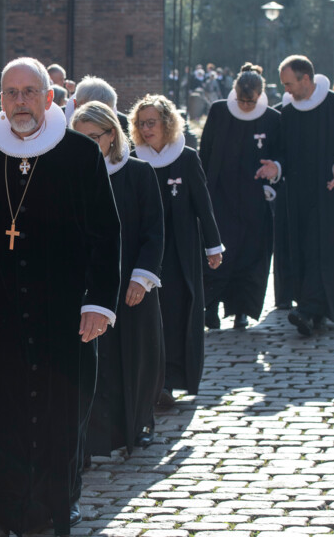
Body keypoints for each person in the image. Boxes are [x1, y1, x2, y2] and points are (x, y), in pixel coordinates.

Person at [0, 57, 121, 537]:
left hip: (61, 310)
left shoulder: (80, 153)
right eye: (11, 93)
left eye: (29, 92)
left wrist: (99, 303)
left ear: (49, 97)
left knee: (56, 414)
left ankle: (50, 510)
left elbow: (106, 234)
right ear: (1, 100)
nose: (21, 102)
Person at [72, 101, 165, 455]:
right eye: (80, 138)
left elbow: (154, 232)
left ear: (112, 135)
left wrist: (142, 278)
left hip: (131, 284)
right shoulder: (71, 175)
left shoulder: (138, 173)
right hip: (90, 286)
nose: (87, 144)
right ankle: (94, 436)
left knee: (136, 356)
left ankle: (139, 422)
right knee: (97, 361)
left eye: (94, 137)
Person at [129, 94, 223, 405]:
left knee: (176, 312)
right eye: (141, 123)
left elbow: (203, 206)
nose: (146, 129)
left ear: (167, 123)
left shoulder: (187, 158)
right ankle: (150, 381)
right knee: (150, 314)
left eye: (151, 123)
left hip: (180, 250)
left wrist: (213, 246)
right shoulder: (134, 159)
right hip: (145, 250)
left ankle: (170, 380)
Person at [277, 55, 334, 336]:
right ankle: (312, 310)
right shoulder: (289, 111)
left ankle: (308, 309)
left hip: (331, 195)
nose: (286, 90)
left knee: (324, 251)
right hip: (298, 196)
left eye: (289, 84)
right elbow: (283, 152)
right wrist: (276, 166)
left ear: (306, 78)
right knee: (303, 251)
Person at [199, 63, 281, 330]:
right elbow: (206, 150)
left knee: (250, 254)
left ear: (260, 96)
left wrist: (273, 174)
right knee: (217, 251)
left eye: (251, 101)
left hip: (253, 196)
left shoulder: (272, 118)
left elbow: (279, 154)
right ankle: (210, 307)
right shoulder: (219, 111)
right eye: (241, 100)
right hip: (220, 194)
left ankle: (241, 309)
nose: (245, 105)